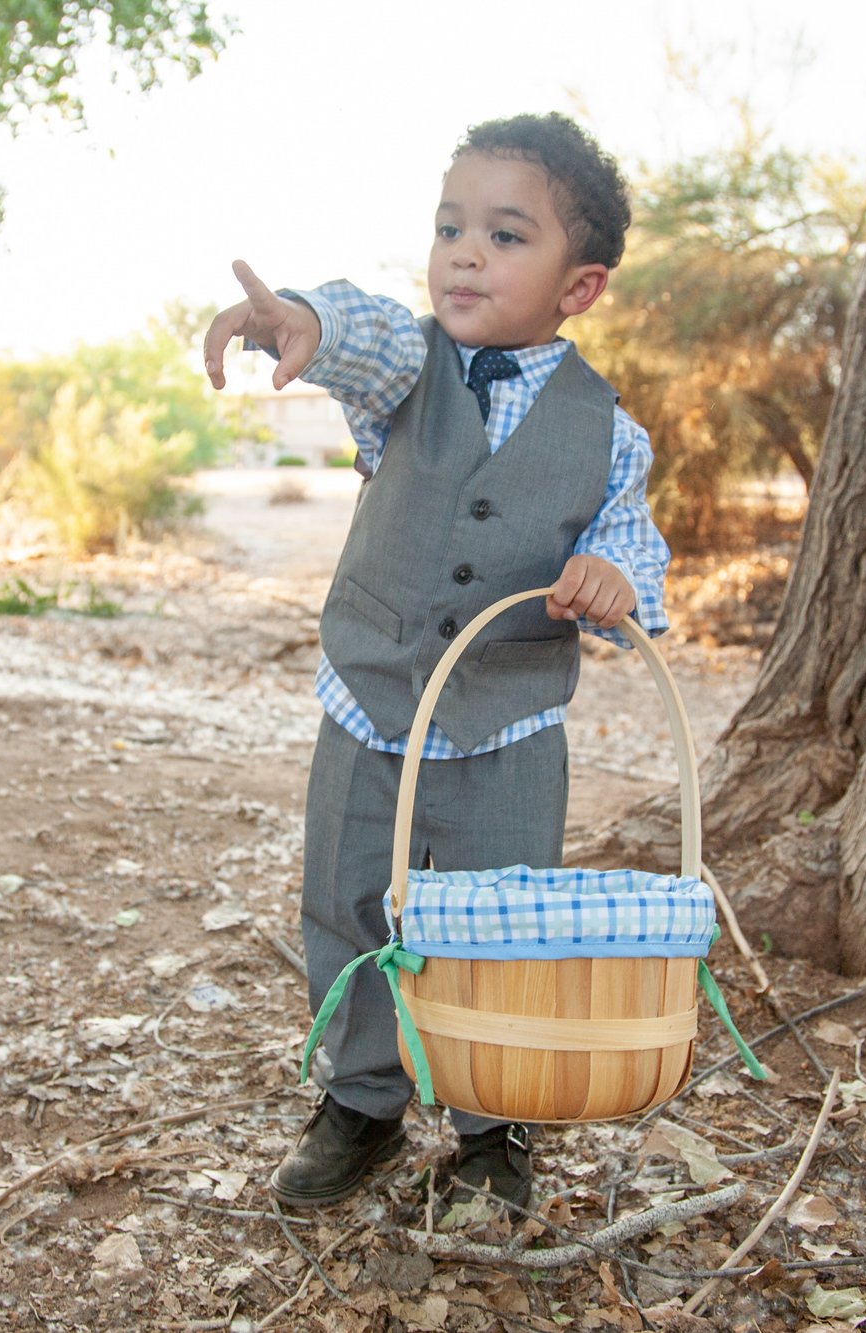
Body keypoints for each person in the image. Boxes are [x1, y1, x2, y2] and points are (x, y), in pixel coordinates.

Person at [202, 113, 671, 1218]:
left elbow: (632, 549)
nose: (465, 252)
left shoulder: (607, 430)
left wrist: (607, 574)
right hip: (367, 710)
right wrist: (299, 318)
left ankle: (491, 1121)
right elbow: (359, 330)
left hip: (503, 734)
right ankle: (360, 1103)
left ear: (580, 285)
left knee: (494, 928)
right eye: (449, 226)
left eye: (506, 236)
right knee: (348, 903)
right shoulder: (405, 367)